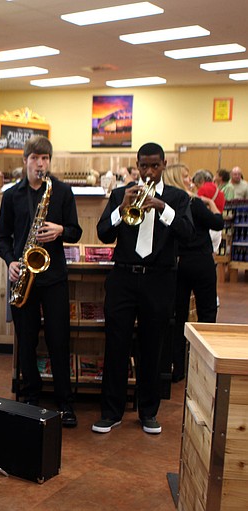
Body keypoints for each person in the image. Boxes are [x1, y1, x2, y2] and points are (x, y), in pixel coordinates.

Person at [93, 142, 194, 435]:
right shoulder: (119, 195)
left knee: (153, 346)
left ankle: (148, 412)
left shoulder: (178, 198)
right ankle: (111, 413)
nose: (149, 172)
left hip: (159, 279)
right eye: (144, 166)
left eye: (154, 166)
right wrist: (120, 209)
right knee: (116, 345)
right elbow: (103, 234)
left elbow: (187, 235)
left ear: (163, 165)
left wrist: (163, 208)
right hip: (124, 277)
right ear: (137, 166)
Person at [0, 135, 82, 428]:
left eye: (45, 159)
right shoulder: (11, 195)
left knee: (59, 341)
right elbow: (1, 237)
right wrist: (11, 261)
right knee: (27, 341)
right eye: (35, 158)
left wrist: (60, 230)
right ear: (25, 161)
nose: (40, 164)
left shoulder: (62, 192)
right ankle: (30, 397)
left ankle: (64, 401)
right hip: (24, 278)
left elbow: (76, 231)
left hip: (54, 277)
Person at [168, 166, 223, 382]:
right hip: (200, 261)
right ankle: (204, 367)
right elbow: (217, 223)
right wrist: (212, 205)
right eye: (185, 176)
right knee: (207, 314)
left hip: (178, 263)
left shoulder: (169, 204)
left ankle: (178, 369)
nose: (190, 180)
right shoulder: (194, 202)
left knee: (178, 317)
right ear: (178, 179)